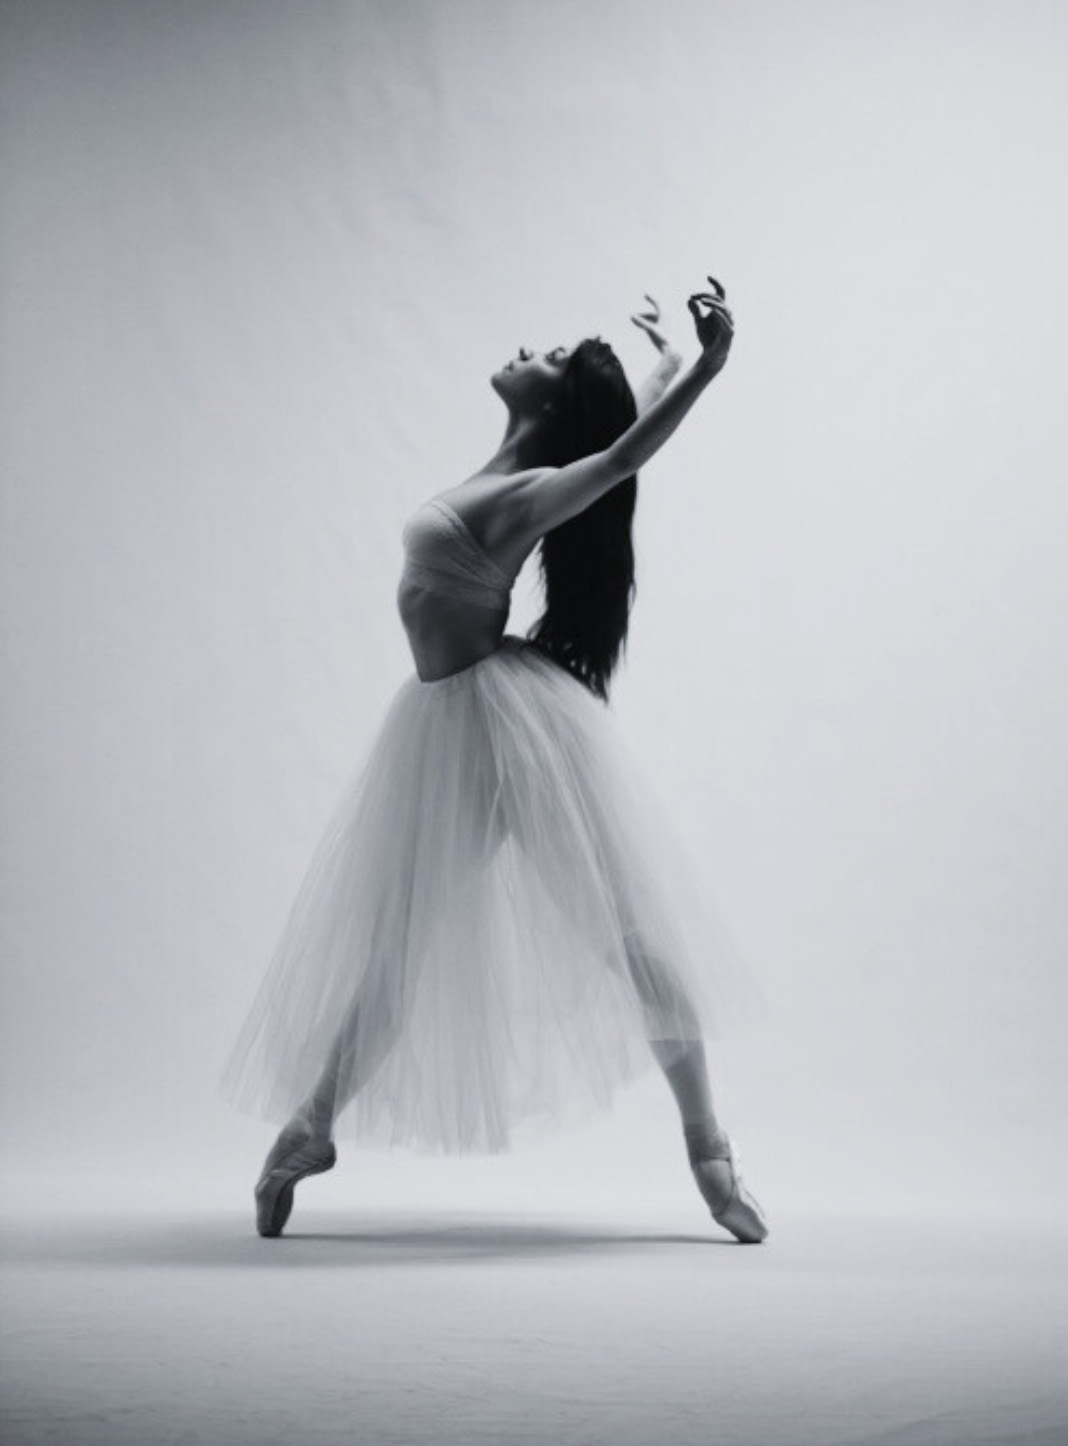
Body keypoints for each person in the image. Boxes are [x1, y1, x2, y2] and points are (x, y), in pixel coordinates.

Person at [222, 277, 768, 1244]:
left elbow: (623, 454)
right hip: (452, 724)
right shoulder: (512, 470)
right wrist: (666, 360)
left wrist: (708, 368)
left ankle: (710, 1151)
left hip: (508, 737)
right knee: (395, 948)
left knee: (624, 937)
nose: (531, 350)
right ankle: (310, 1127)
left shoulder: (530, 494)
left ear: (552, 405)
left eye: (550, 358)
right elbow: (616, 437)